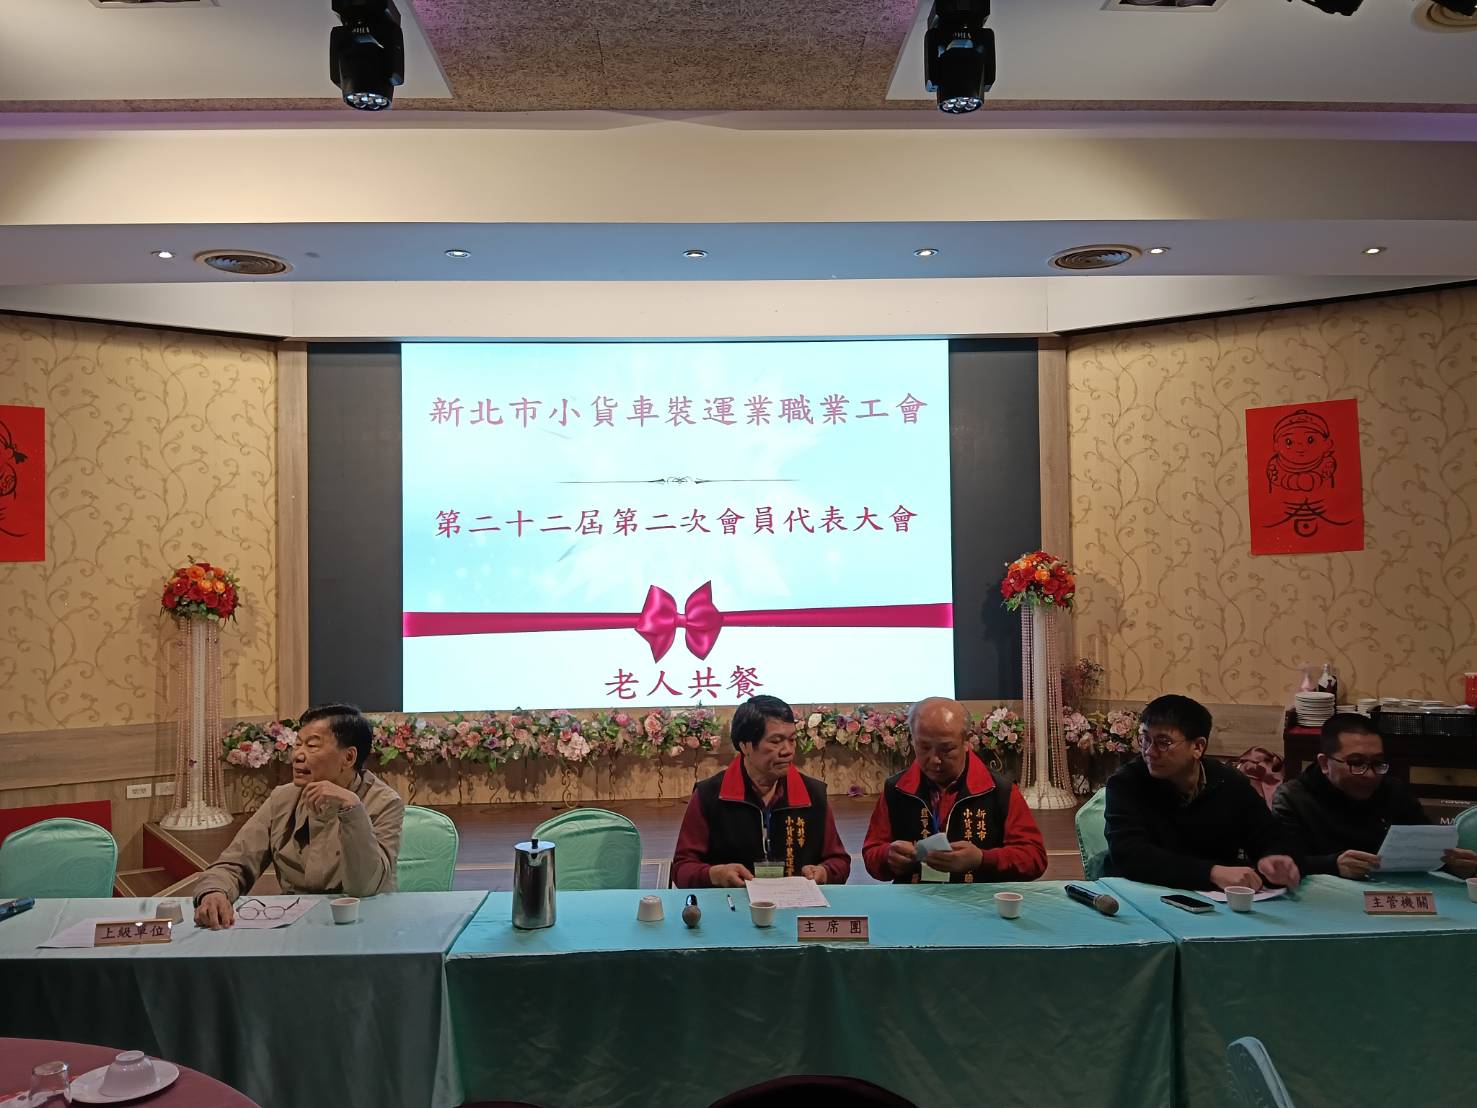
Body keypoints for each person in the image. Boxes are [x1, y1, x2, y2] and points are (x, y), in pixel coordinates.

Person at [193, 704, 405, 929]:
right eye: (297, 744)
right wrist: (214, 892)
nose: (297, 755)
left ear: (349, 757)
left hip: (363, 923)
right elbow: (234, 863)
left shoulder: (384, 803)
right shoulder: (283, 799)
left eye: (311, 746)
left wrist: (352, 809)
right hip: (296, 925)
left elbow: (365, 887)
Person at [1104, 694, 1302, 892]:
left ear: (1198, 747)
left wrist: (1274, 857)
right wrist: (1211, 873)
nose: (1149, 751)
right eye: (1145, 739)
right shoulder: (1126, 783)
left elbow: (1270, 835)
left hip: (1215, 900)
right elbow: (1129, 855)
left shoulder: (1229, 783)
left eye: (1163, 742)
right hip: (1140, 894)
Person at [672, 695, 851, 888]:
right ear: (745, 745)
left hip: (797, 903)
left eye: (792, 740)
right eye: (776, 741)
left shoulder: (813, 794)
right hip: (732, 903)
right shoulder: (709, 795)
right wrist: (714, 875)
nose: (788, 750)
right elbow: (682, 869)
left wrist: (824, 872)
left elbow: (839, 861)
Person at [861, 697, 1046, 884]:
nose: (935, 759)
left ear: (967, 741)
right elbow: (872, 853)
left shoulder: (999, 790)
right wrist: (888, 857)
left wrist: (983, 859)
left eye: (946, 749)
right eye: (924, 747)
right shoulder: (896, 789)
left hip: (978, 899)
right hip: (915, 898)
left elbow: (1035, 858)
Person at [1272, 713, 1477, 880]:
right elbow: (1284, 862)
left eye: (1378, 763)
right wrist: (1332, 864)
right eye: (1356, 763)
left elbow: (1426, 849)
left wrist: (1455, 865)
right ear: (1325, 763)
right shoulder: (1293, 798)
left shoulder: (1394, 791)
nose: (1370, 775)